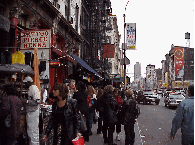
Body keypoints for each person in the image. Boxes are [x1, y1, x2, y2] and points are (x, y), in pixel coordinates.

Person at [22, 76, 41, 145]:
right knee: (31, 131)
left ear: (28, 82)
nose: (25, 85)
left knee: (33, 132)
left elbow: (37, 101)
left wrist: (26, 101)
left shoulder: (33, 88)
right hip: (31, 112)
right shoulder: (32, 88)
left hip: (33, 112)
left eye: (25, 83)